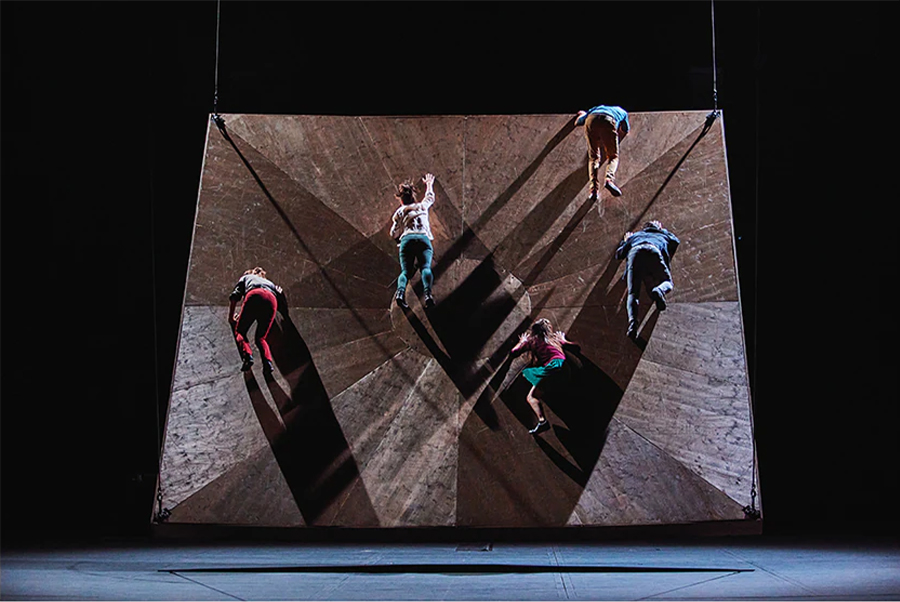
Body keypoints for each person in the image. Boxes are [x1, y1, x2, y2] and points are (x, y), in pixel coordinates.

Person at [614, 220, 680, 339]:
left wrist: (626, 241)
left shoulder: (636, 236)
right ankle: (659, 290)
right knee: (667, 282)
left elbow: (619, 255)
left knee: (633, 293)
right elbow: (675, 241)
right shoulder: (662, 234)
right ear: (658, 227)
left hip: (635, 252)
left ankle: (633, 325)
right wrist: (661, 230)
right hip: (653, 251)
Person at [509, 318, 574, 435]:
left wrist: (522, 341)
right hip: (564, 368)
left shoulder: (533, 341)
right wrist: (564, 341)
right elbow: (576, 348)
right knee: (544, 384)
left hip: (552, 368)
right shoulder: (555, 339)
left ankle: (542, 421)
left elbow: (514, 352)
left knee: (531, 397)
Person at [390, 172, 436, 309]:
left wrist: (397, 237)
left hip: (407, 240)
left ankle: (400, 293)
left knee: (405, 272)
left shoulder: (400, 212)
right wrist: (429, 184)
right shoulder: (422, 206)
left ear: (401, 200)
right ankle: (428, 295)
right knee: (425, 268)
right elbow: (430, 197)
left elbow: (393, 232)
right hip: (423, 239)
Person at [228, 267, 283, 373]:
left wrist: (231, 317)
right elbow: (280, 297)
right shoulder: (270, 283)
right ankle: (267, 363)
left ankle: (248, 356)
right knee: (261, 337)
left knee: (240, 332)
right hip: (272, 299)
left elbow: (235, 296)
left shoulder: (245, 277)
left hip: (255, 295)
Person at [574, 105, 630, 199]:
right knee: (613, 157)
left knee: (594, 158)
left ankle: (594, 191)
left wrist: (582, 115)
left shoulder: (595, 108)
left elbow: (578, 122)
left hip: (591, 119)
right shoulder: (622, 112)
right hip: (609, 120)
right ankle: (609, 180)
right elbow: (625, 130)